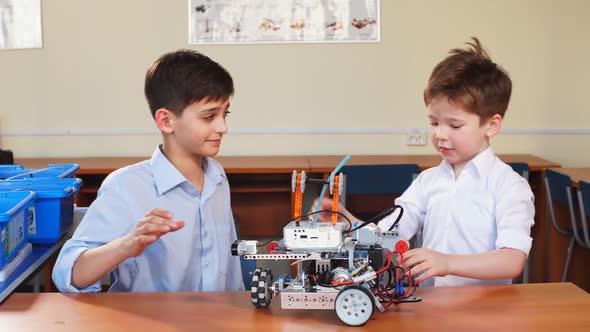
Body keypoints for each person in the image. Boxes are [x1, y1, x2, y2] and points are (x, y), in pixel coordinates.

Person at [313, 37, 534, 286]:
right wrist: (349, 222)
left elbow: (512, 260)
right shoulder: (427, 181)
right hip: (433, 308)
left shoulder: (509, 186)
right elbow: (388, 237)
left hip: (487, 314)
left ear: (491, 125)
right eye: (434, 122)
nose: (440, 134)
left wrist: (448, 263)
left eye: (455, 125)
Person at [52, 50, 244, 292]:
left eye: (224, 114)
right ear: (165, 121)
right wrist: (127, 245)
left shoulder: (216, 176)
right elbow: (69, 275)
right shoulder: (125, 186)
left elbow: (229, 268)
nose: (223, 127)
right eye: (209, 117)